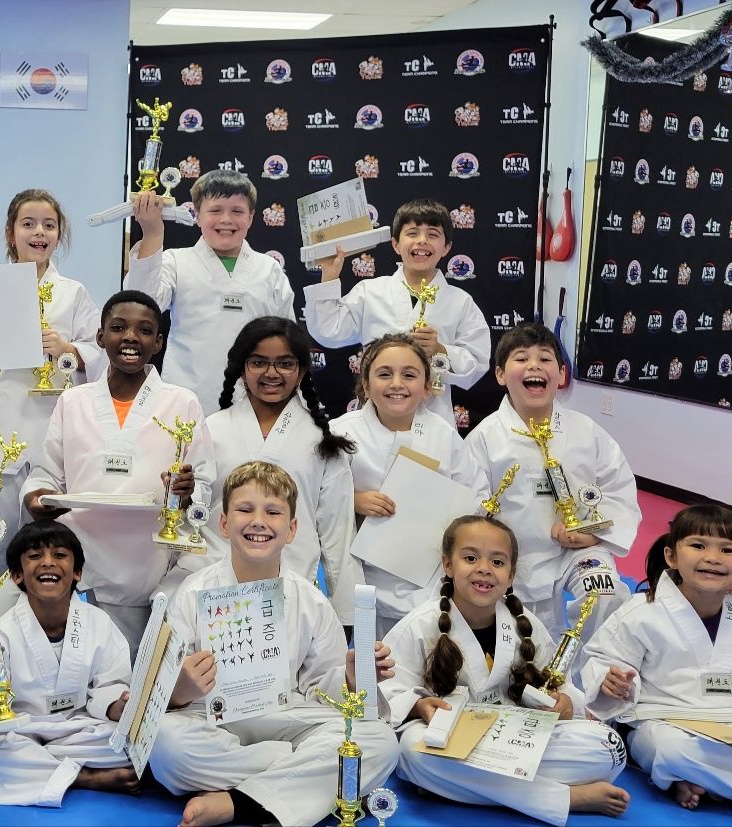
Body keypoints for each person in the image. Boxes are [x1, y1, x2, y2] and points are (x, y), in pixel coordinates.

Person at [147, 461, 397, 827]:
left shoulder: (310, 599)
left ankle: (238, 802)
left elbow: (322, 692)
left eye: (273, 512)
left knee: (379, 741)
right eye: (245, 510)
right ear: (224, 523)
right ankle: (297, 769)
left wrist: (352, 679)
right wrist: (181, 688)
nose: (258, 521)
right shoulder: (192, 593)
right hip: (210, 719)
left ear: (292, 529)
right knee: (166, 746)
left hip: (284, 713)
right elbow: (160, 701)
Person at [383, 514, 630, 825]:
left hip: (514, 739)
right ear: (447, 565)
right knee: (411, 752)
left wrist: (565, 703)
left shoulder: (523, 623)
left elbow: (558, 683)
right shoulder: (419, 625)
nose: (484, 568)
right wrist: (418, 706)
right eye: (470, 557)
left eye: (497, 562)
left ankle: (460, 787)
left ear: (512, 574)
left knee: (609, 748)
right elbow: (388, 691)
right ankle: (562, 797)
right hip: (450, 742)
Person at [23, 290, 217, 647]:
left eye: (144, 330)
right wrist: (36, 498)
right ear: (100, 337)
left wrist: (187, 494)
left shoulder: (181, 402)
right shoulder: (73, 401)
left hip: (153, 554)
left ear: (158, 343)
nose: (130, 337)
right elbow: (46, 475)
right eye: (117, 328)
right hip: (83, 556)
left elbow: (202, 484)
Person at [580, 503, 732, 823]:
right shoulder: (642, 613)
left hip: (729, 727)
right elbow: (604, 660)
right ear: (671, 556)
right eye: (698, 545)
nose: (713, 557)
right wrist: (611, 682)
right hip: (659, 725)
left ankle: (705, 781)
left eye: (728, 549)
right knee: (672, 751)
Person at [466, 323, 641, 640]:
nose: (534, 365)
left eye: (545, 359)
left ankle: (590, 670)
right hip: (513, 558)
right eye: (521, 358)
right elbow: (471, 505)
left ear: (560, 374)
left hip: (577, 552)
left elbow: (618, 490)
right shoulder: (484, 438)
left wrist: (591, 533)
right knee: (528, 641)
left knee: (607, 592)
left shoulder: (586, 431)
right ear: (501, 375)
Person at [0, 189, 100, 540]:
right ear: (10, 233)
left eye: (49, 225)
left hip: (55, 417)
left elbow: (97, 354)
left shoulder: (73, 292)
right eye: (28, 224)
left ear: (59, 235)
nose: (39, 233)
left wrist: (68, 349)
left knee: (51, 533)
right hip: (5, 416)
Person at [0, 519, 139, 807]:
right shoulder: (0, 633)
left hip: (81, 730)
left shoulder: (98, 622)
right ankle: (84, 777)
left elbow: (111, 684)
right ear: (17, 575)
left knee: (135, 743)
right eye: (34, 556)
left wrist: (118, 705)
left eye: (59, 555)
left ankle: (45, 767)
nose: (47, 563)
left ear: (77, 571)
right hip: (23, 731)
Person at [204, 317, 358, 626]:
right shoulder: (211, 430)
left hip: (291, 593)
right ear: (241, 368)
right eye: (259, 362)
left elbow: (336, 533)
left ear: (301, 372)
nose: (272, 373)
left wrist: (345, 614)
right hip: (217, 595)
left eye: (285, 364)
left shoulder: (321, 441)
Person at [329, 333, 485, 636]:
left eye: (409, 375)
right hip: (363, 574)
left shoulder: (442, 433)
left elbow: (475, 492)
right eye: (384, 374)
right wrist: (354, 500)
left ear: (427, 388)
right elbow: (315, 498)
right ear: (365, 384)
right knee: (374, 666)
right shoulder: (341, 434)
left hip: (429, 576)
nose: (396, 384)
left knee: (429, 659)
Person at [303, 198, 491, 427]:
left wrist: (440, 350)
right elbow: (328, 331)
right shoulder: (370, 292)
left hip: (433, 420)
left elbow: (478, 362)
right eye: (412, 233)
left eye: (432, 234)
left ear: (446, 247)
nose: (422, 241)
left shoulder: (460, 302)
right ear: (395, 244)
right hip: (375, 417)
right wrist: (329, 276)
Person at [124, 169, 296, 416]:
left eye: (237, 211)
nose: (226, 219)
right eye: (215, 210)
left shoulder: (269, 270)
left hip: (256, 402)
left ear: (251, 217)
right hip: (187, 400)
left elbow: (289, 340)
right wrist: (152, 233)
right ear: (197, 216)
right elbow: (140, 303)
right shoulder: (176, 261)